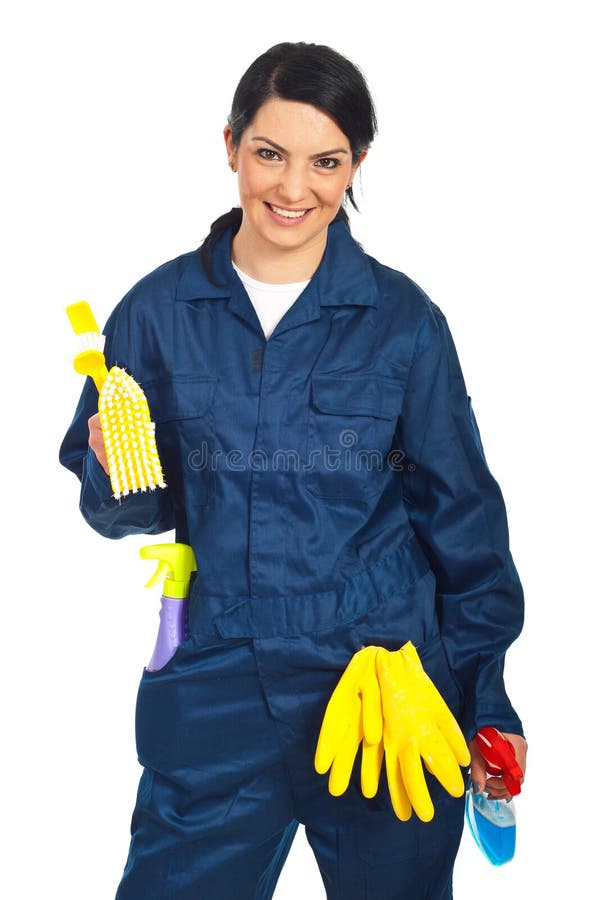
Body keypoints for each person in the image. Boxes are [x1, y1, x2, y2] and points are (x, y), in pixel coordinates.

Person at [60, 41, 527, 900]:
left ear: (355, 166)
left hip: (381, 683)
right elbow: (127, 514)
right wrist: (119, 471)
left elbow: (462, 520)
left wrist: (488, 702)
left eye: (326, 162)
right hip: (215, 686)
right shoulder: (155, 315)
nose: (293, 188)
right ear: (231, 143)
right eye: (269, 153)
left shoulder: (402, 322)